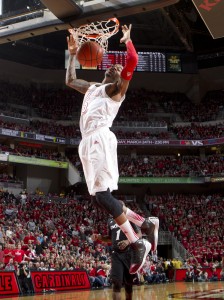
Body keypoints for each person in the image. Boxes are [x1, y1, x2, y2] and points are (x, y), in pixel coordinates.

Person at [66, 23, 159, 274]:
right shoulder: (93, 88)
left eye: (120, 68)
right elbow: (70, 79)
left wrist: (127, 40)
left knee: (103, 196)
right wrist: (73, 52)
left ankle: (138, 241)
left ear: (121, 79)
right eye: (115, 65)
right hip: (86, 142)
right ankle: (145, 223)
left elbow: (133, 60)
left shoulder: (116, 92)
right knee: (99, 198)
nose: (117, 67)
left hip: (100, 140)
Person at [108, 215, 140, 300]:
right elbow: (109, 238)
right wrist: (99, 237)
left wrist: (128, 241)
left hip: (128, 254)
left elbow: (139, 234)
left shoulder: (129, 219)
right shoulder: (110, 221)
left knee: (128, 284)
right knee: (116, 283)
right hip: (116, 254)